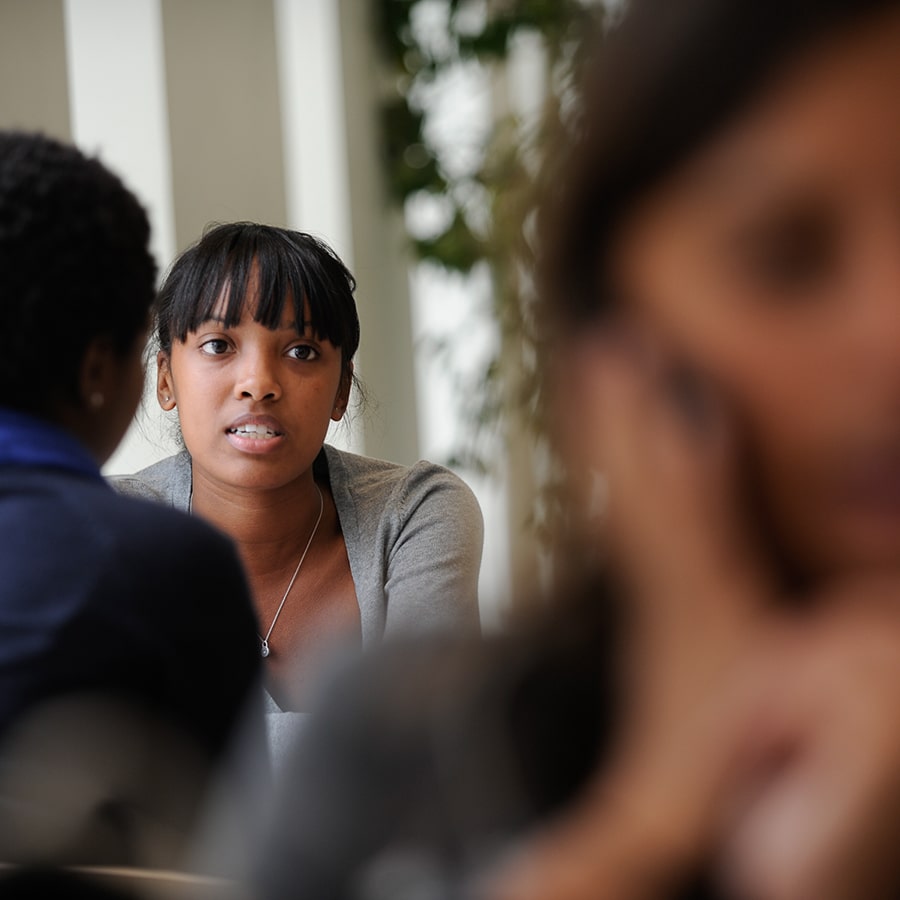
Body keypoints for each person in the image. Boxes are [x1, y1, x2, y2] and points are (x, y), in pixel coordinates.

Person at [246, 1, 900, 898]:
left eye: (302, 351)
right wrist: (653, 815)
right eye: (784, 256)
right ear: (608, 336)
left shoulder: (412, 507)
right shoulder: (413, 740)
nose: (889, 334)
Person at [113, 222, 483, 761]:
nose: (259, 382)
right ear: (165, 378)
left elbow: (425, 750)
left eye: (302, 351)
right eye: (219, 345)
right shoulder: (108, 526)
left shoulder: (414, 514)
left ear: (340, 389)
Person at [0, 131, 265, 877]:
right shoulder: (164, 565)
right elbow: (241, 871)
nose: (256, 382)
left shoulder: (410, 510)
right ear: (99, 370)